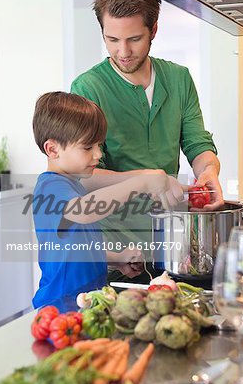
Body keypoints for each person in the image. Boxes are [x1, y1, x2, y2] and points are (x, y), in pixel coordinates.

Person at [71, 0, 223, 280]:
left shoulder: (179, 79)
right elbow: (82, 175)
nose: (123, 51)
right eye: (112, 40)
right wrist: (146, 178)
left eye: (134, 39)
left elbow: (197, 143)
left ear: (153, 30)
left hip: (172, 245)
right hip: (115, 252)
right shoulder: (88, 87)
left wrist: (209, 171)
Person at [31, 91, 174, 308]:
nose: (98, 154)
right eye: (88, 147)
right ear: (53, 149)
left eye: (99, 145)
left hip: (87, 300)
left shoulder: (73, 185)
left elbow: (77, 249)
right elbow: (84, 212)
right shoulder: (51, 187)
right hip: (60, 305)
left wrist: (116, 258)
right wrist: (141, 182)